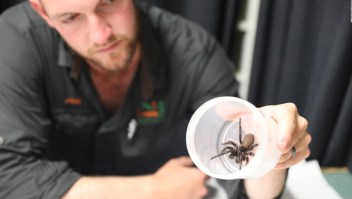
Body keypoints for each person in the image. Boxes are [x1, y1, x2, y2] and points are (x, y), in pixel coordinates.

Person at [0, 0, 311, 198]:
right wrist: (153, 189)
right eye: (70, 18)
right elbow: (9, 176)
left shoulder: (194, 52)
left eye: (108, 3)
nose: (100, 35)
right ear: (43, 12)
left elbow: (246, 189)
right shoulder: (16, 42)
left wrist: (270, 151)